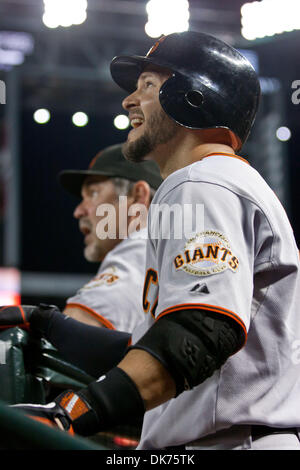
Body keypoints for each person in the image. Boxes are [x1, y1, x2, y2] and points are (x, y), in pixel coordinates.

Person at [5, 31, 300, 450]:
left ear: (192, 96)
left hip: (225, 442)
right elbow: (153, 349)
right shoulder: (219, 181)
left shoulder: (202, 180)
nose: (129, 101)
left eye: (147, 85)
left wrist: (74, 411)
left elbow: (201, 330)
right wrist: (49, 323)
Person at [58, 143, 162, 332]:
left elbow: (74, 329)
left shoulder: (143, 250)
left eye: (94, 193)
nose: (79, 211)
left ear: (137, 197)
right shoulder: (179, 246)